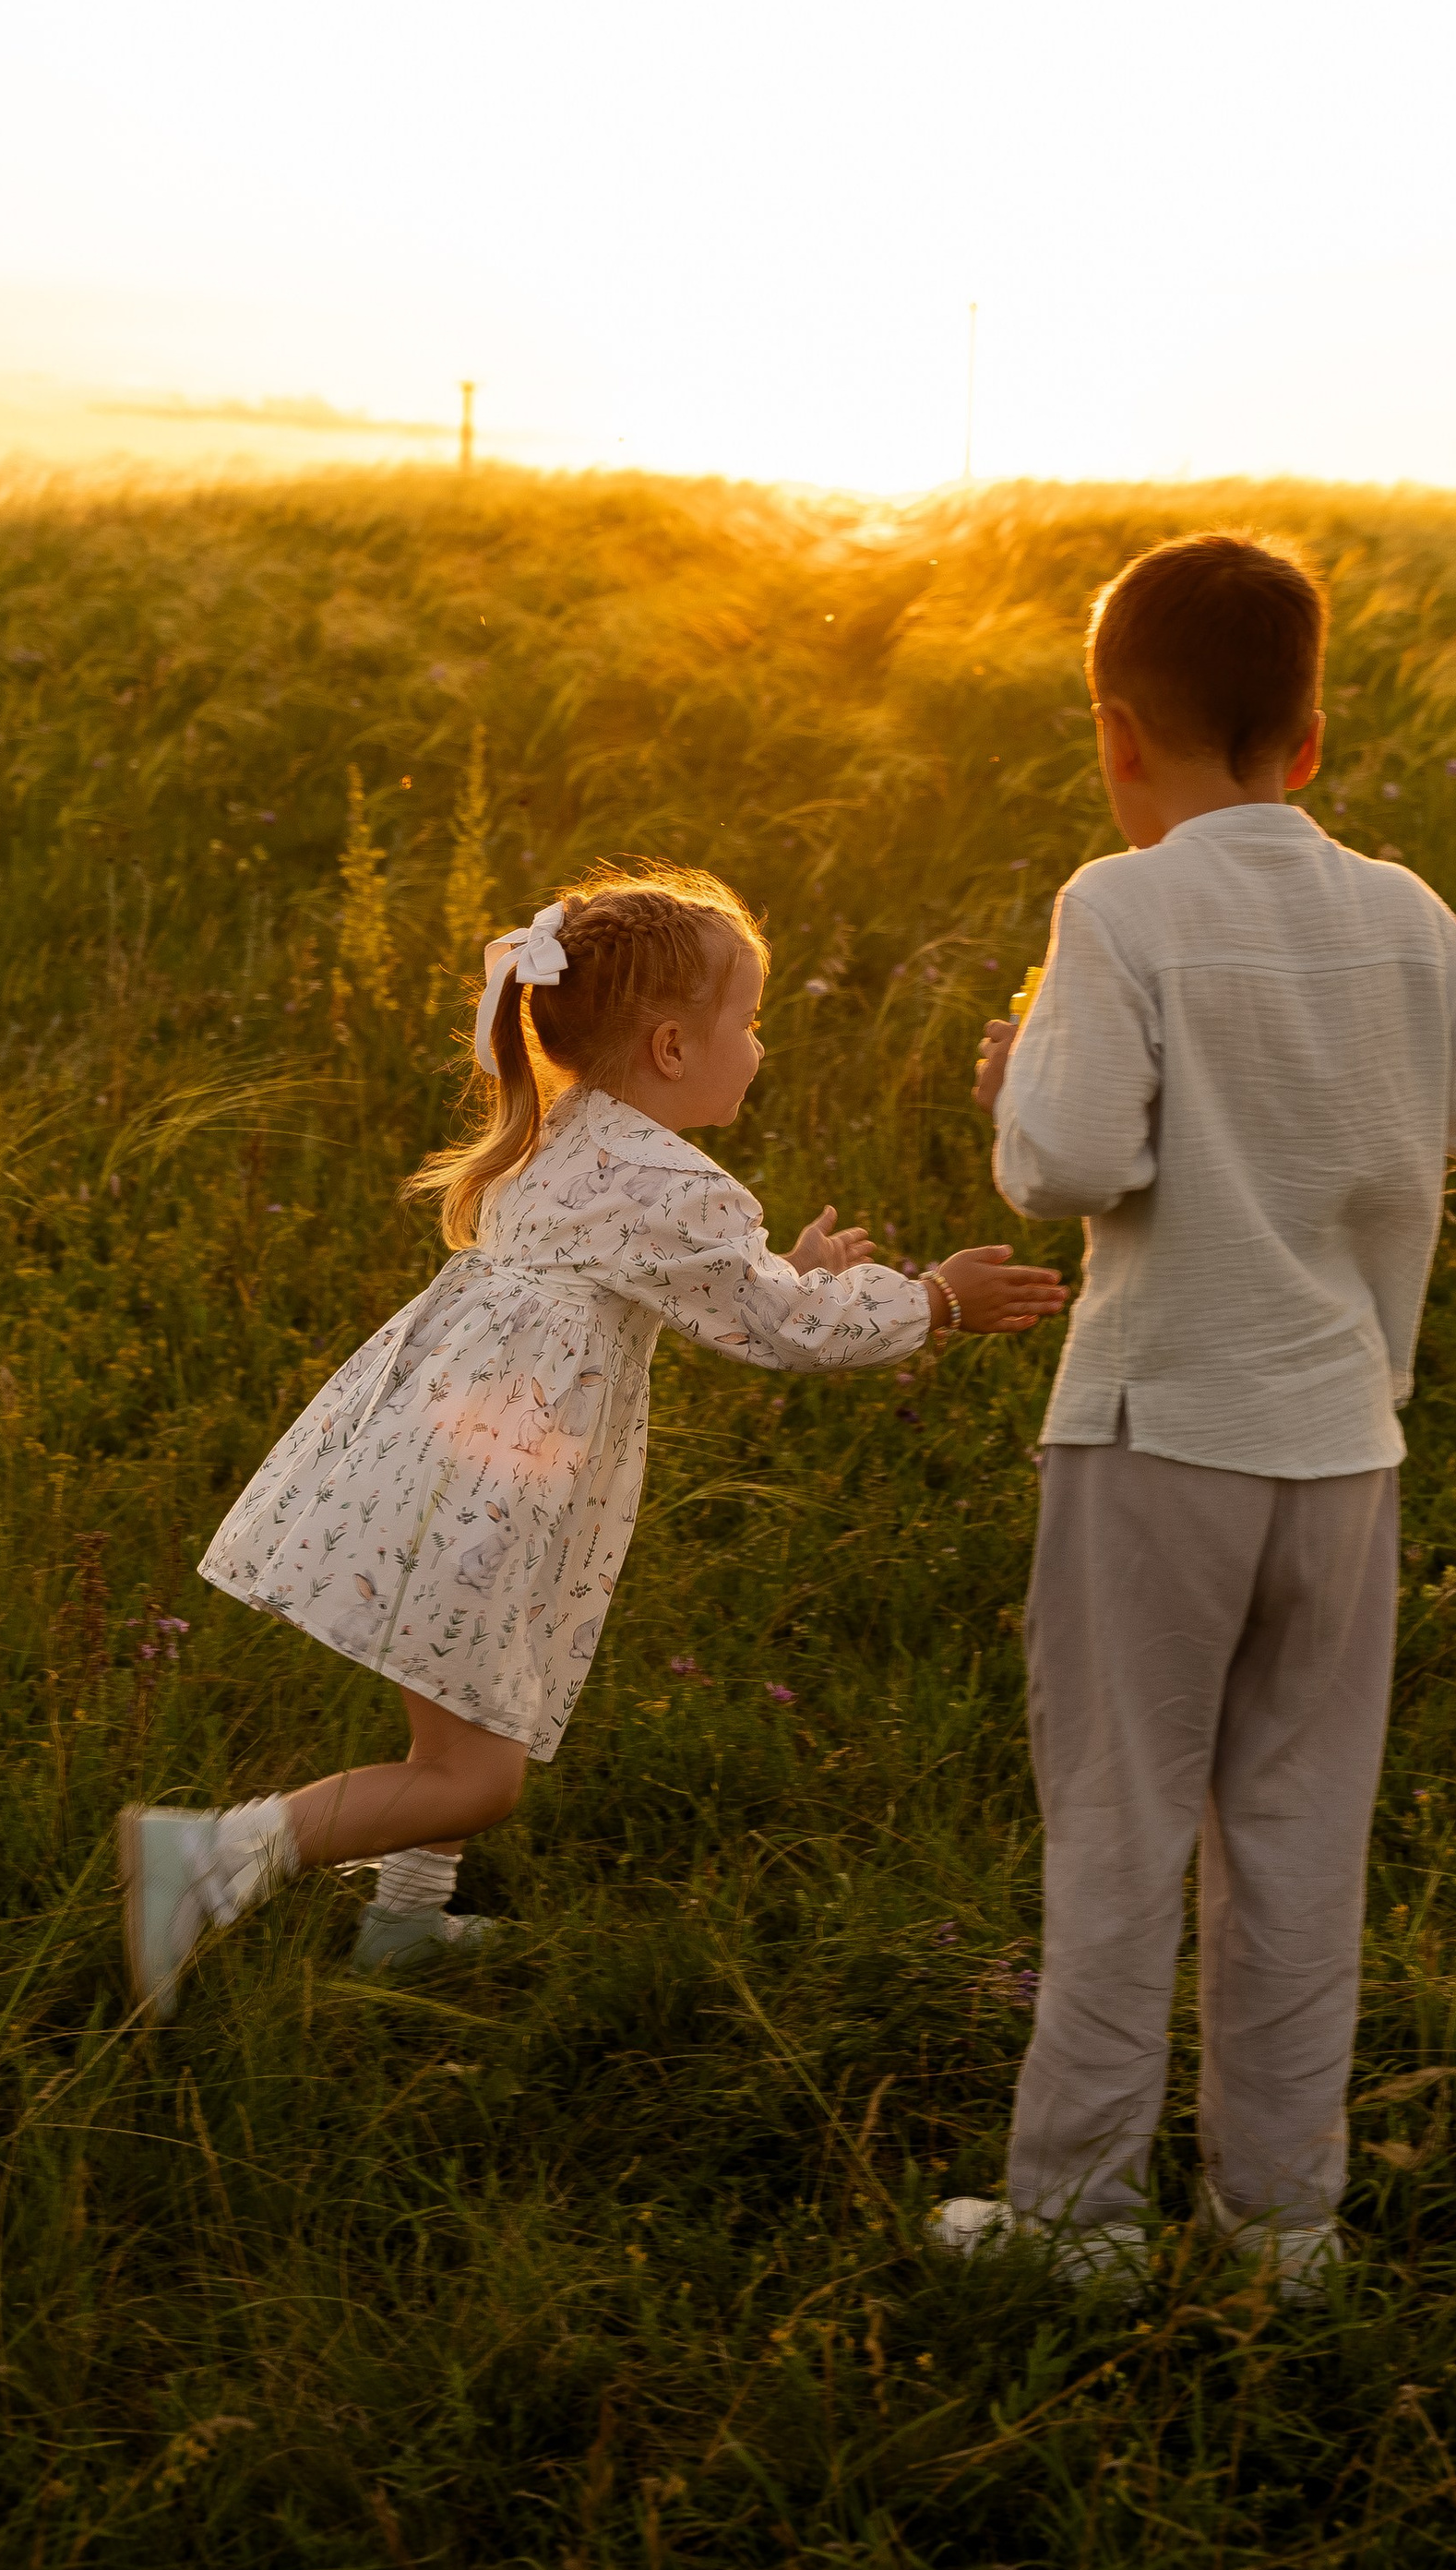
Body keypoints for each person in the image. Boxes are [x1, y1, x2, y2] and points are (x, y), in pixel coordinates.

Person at [122, 864, 1066, 2020]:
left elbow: (742, 1297)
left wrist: (793, 1277)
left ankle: (405, 1922)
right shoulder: (673, 1184)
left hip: (448, 1466)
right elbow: (784, 1330)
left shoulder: (566, 1131)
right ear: (672, 1049)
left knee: (482, 1684)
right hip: (492, 1481)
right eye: (748, 1021)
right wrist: (934, 1301)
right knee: (472, 1778)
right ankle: (211, 1858)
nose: (758, 1044)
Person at [932, 533, 1456, 2298]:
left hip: (1158, 1434)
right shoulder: (1408, 912)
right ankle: (1280, 2227)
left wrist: (1019, 1064)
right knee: (1296, 1830)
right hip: (1344, 1451)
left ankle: (1077, 2223)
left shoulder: (1118, 909)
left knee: (1122, 1820)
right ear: (1312, 738)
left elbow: (1068, 1160)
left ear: (1117, 734)